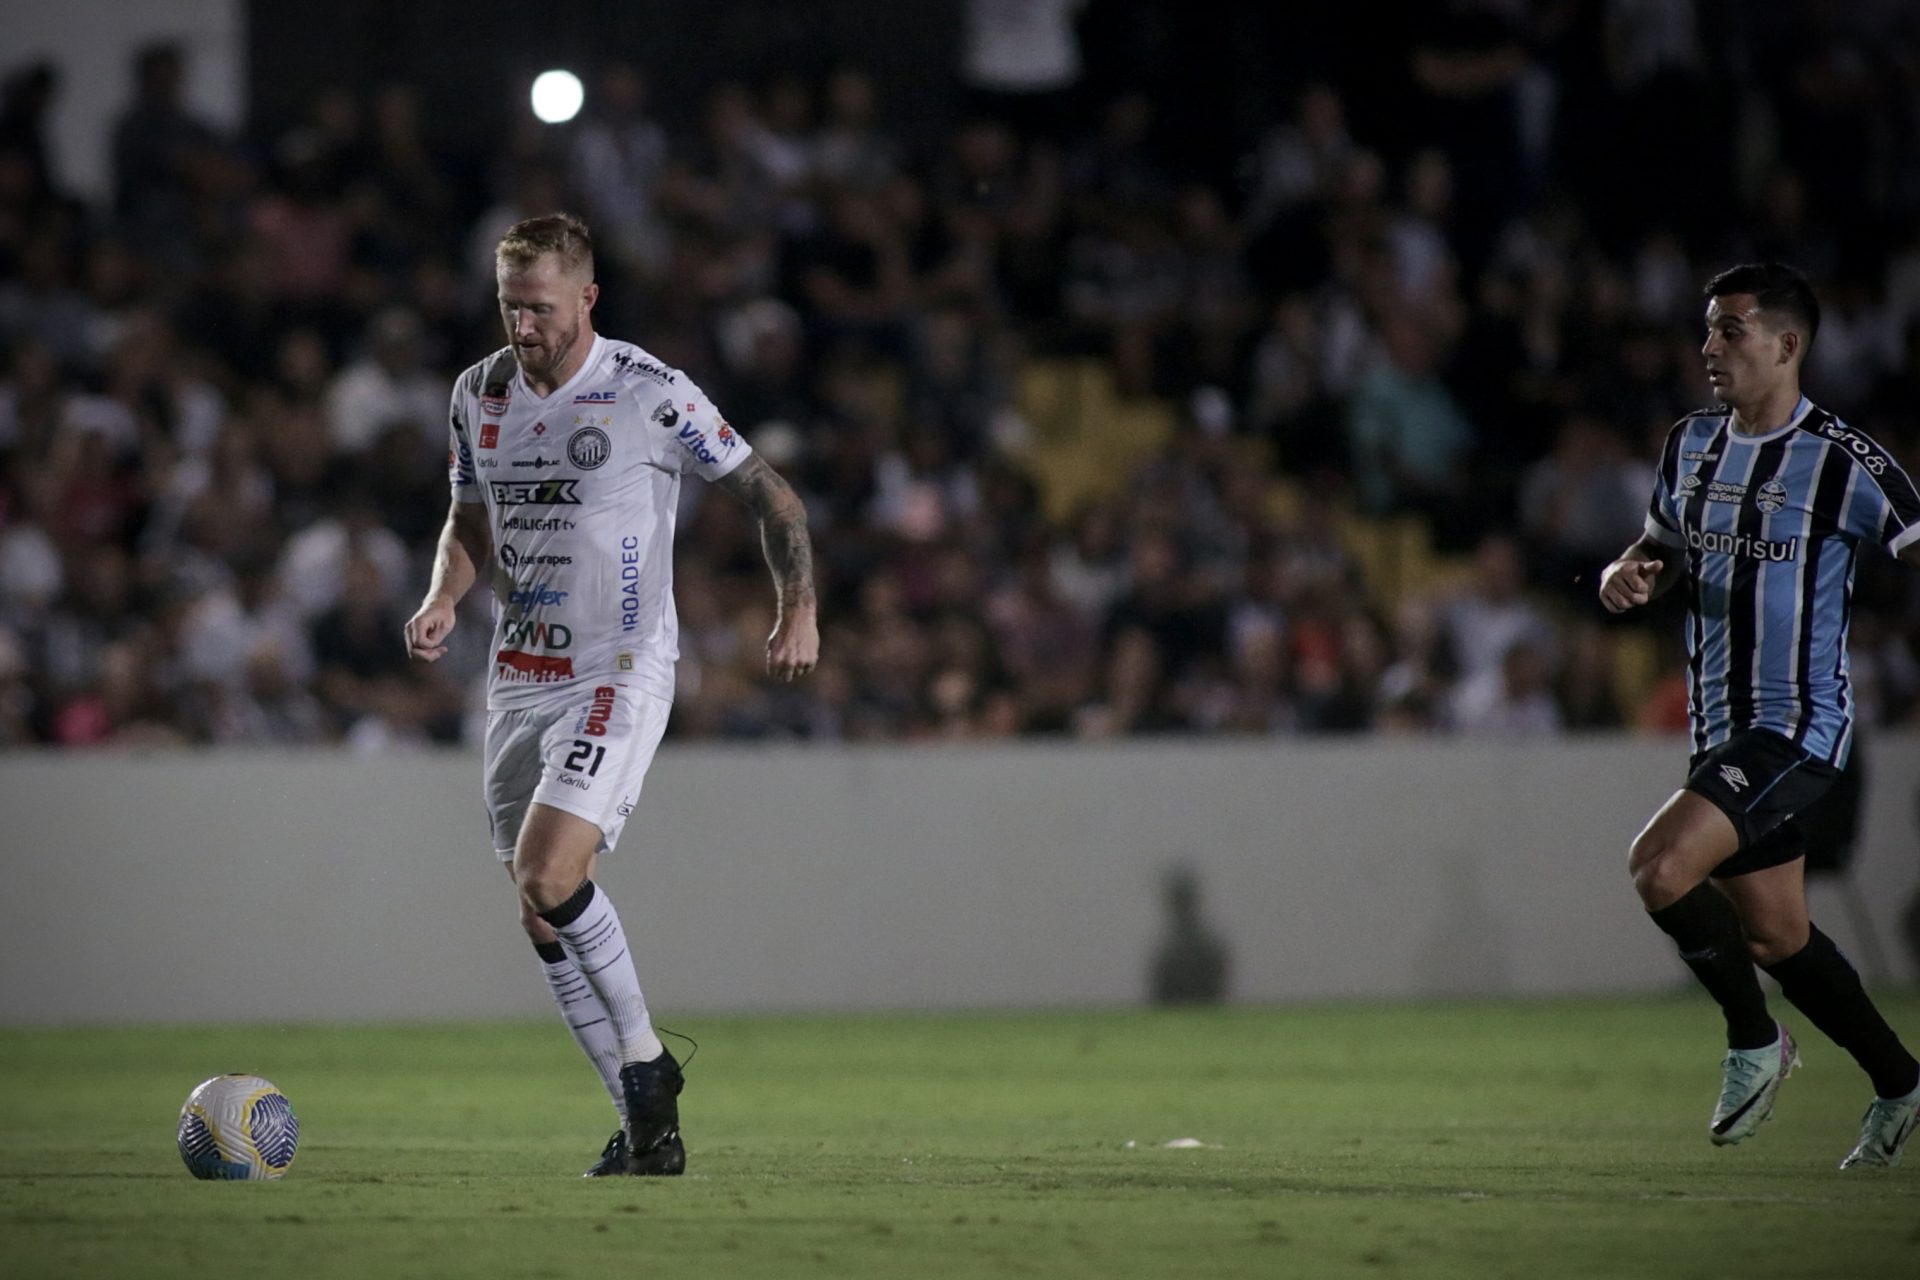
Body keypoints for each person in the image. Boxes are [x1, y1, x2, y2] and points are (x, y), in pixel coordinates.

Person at [404, 214, 818, 1176]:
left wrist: (798, 605)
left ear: (588, 298)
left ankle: (647, 1065)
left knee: (551, 873)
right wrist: (441, 597)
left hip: (619, 668)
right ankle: (648, 1136)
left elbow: (773, 496)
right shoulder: (478, 393)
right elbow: (469, 519)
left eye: (541, 308)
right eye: (510, 308)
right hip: (519, 678)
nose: (524, 327)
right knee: (537, 909)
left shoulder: (649, 391)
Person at [1599, 262, 1920, 1169]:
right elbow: (1657, 545)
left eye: (1730, 330)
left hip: (1796, 726)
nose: (1709, 347)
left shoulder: (1846, 460)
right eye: (1707, 328)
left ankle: (1755, 1041)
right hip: (1718, 725)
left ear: (1787, 345)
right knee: (1777, 933)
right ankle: (1901, 1081)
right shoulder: (1690, 443)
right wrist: (1625, 572)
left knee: (1659, 869)